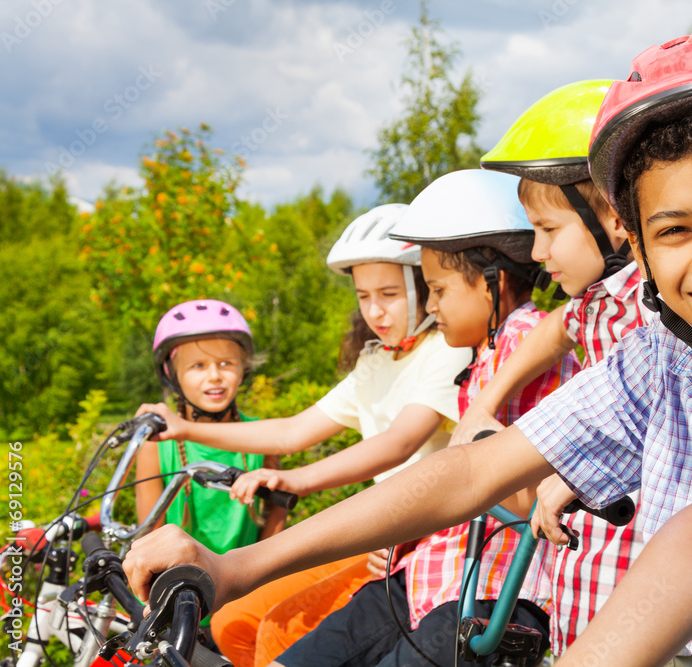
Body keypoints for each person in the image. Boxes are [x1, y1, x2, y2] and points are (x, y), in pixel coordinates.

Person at [125, 31, 692, 667]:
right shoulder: (664, 356)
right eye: (676, 229)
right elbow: (475, 470)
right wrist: (235, 564)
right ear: (639, 247)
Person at [136, 204, 473, 667]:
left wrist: (298, 479)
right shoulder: (376, 360)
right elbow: (293, 430)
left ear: (423, 287)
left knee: (274, 630)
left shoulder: (445, 351)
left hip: (419, 534)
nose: (374, 310)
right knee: (233, 624)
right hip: (383, 532)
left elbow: (398, 442)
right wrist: (183, 427)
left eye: (390, 293)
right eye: (362, 296)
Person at [271, 169, 579, 667]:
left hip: (492, 591)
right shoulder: (485, 356)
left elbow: (529, 494)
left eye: (437, 289)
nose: (432, 308)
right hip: (429, 575)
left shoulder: (524, 343)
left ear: (491, 282)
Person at [459, 79, 692, 666]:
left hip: (644, 583)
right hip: (588, 580)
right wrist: (488, 401)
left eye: (548, 231)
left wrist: (580, 473)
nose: (536, 254)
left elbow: (675, 423)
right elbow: (553, 330)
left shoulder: (649, 309)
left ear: (615, 221)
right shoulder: (595, 304)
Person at [134, 299, 288, 633]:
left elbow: (274, 526)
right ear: (171, 375)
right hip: (181, 601)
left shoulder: (262, 436)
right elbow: (151, 528)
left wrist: (261, 591)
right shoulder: (157, 446)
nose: (215, 376)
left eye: (226, 363)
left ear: (243, 368)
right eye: (198, 366)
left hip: (245, 596)